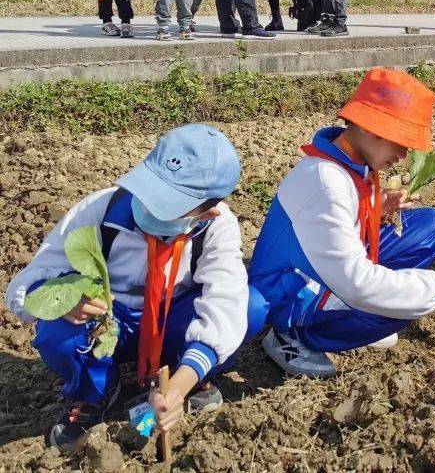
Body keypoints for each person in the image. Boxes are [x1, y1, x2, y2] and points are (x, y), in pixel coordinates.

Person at [5, 125, 266, 453]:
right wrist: (66, 300)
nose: (151, 208)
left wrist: (180, 385)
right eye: (151, 192)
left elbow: (225, 300)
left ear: (207, 212)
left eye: (169, 205)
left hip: (171, 320)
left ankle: (180, 375)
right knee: (58, 331)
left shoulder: (217, 226)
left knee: (250, 307)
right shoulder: (101, 210)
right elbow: (25, 287)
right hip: (109, 324)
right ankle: (94, 391)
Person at [249, 68, 435, 376]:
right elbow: (357, 282)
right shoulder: (326, 183)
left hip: (319, 268)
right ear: (373, 127)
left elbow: (336, 229)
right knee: (397, 308)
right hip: (291, 292)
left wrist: (377, 208)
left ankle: (353, 318)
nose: (403, 154)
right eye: (400, 142)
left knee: (431, 226)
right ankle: (292, 337)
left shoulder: (352, 162)